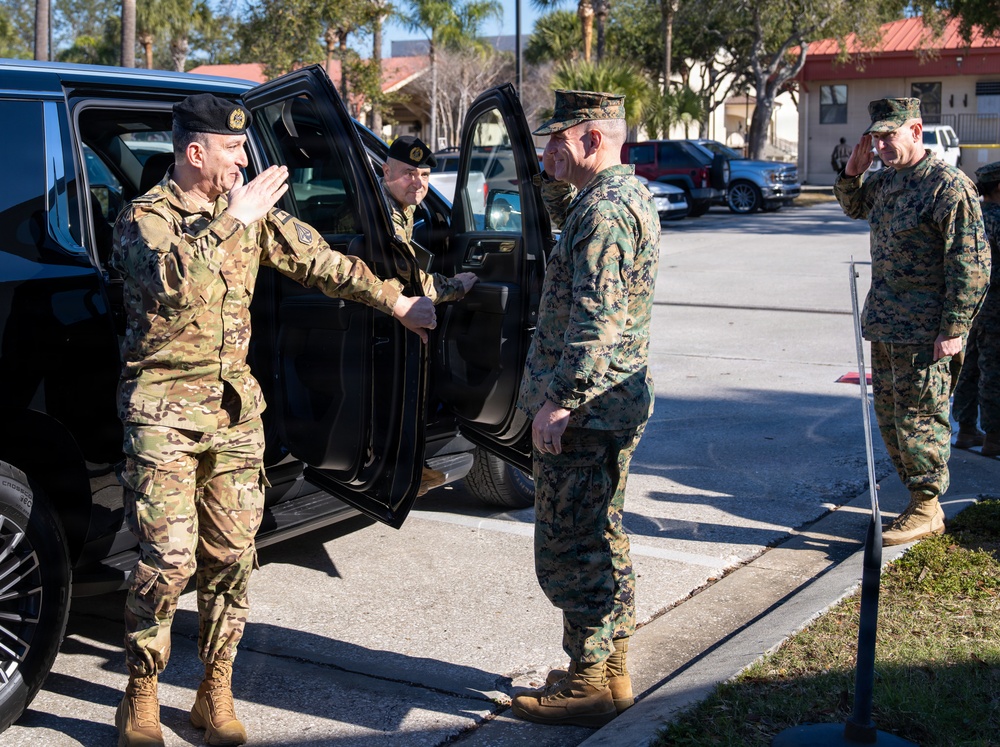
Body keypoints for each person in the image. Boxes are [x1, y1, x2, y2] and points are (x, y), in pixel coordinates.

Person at [111, 93, 436, 747]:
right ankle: (141, 694)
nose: (243, 159)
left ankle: (215, 690)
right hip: (164, 415)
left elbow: (318, 260)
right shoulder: (142, 219)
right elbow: (169, 285)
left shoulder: (252, 214)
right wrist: (234, 219)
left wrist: (396, 301)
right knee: (169, 562)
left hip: (233, 414)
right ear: (195, 152)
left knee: (232, 557)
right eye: (232, 149)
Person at [509, 89, 660, 727]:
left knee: (572, 548)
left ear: (592, 139)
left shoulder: (603, 215)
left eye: (557, 142)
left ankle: (588, 682)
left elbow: (596, 323)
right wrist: (549, 176)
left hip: (588, 408)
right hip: (615, 400)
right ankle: (611, 668)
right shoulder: (622, 196)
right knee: (604, 537)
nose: (548, 153)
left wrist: (558, 403)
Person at [834, 97, 990, 547]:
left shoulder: (948, 186)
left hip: (926, 331)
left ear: (916, 131)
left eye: (890, 135)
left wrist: (954, 328)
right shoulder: (885, 183)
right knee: (891, 418)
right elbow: (853, 206)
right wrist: (851, 172)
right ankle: (915, 497)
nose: (882, 145)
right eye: (877, 137)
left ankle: (927, 506)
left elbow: (971, 264)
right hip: (886, 324)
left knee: (921, 418)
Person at [380, 135, 478, 304]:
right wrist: (457, 285)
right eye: (409, 174)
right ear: (387, 172)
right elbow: (412, 284)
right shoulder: (383, 214)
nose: (419, 184)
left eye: (424, 175)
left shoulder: (401, 201)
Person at [952, 161, 1000, 457]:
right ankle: (995, 435)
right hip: (995, 306)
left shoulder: (971, 215)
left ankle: (967, 430)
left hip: (969, 306)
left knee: (968, 369)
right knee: (993, 370)